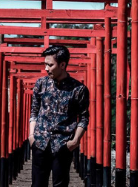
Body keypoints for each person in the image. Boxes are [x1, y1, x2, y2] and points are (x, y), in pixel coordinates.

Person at [29, 45, 89, 187]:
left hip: (63, 145)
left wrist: (75, 141)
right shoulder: (41, 84)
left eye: (50, 65)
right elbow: (34, 111)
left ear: (62, 65)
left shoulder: (79, 89)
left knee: (60, 185)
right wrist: (31, 136)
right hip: (40, 143)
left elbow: (84, 117)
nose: (46, 68)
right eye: (45, 64)